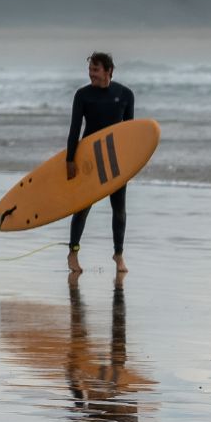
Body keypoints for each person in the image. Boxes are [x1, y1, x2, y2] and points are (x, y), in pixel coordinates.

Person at [65, 51, 134, 277]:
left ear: (108, 71)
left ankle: (118, 255)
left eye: (96, 70)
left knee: (119, 210)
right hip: (89, 160)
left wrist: (130, 164)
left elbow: (129, 134)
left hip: (114, 160)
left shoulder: (125, 95)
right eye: (90, 70)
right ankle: (73, 252)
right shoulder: (82, 95)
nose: (91, 75)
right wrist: (70, 160)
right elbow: (75, 129)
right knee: (82, 209)